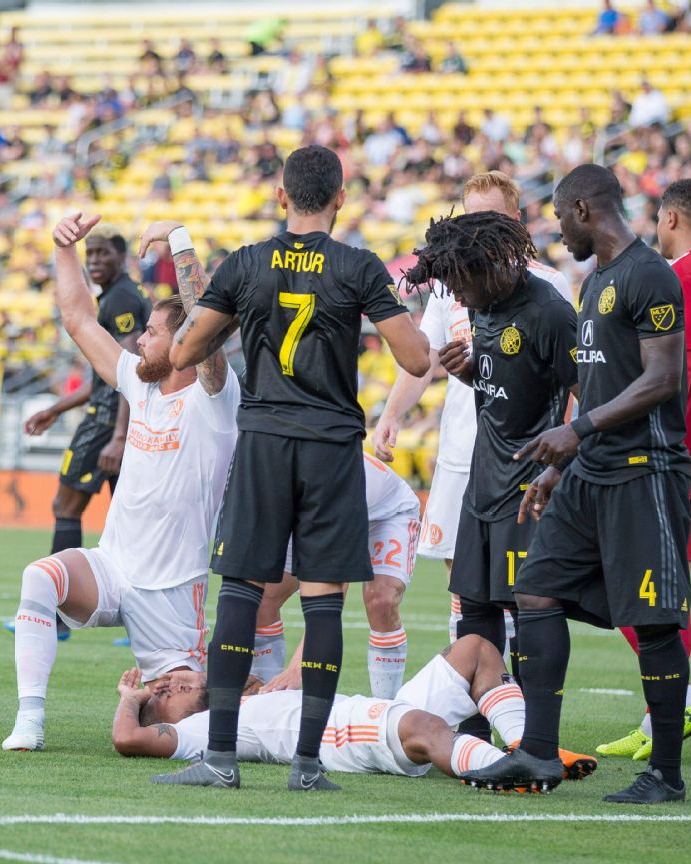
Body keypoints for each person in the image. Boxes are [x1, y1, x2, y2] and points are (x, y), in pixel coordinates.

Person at [154, 144, 431, 791]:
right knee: (324, 603)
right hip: (332, 447)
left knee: (242, 592)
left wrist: (235, 310)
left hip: (264, 441)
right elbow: (416, 359)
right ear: (340, 199)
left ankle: (219, 758)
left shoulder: (247, 263)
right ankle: (307, 765)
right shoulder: (358, 266)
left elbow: (185, 347)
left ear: (280, 198)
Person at [461, 164, 691, 804]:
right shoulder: (595, 286)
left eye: (561, 219)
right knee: (534, 591)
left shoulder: (652, 275)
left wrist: (577, 431)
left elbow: (662, 379)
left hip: (644, 472)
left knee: (653, 624)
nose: (558, 233)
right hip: (587, 473)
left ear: (585, 209)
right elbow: (595, 383)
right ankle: (537, 751)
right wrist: (560, 466)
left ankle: (666, 774)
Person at [2, 214, 239, 752]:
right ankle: (30, 721)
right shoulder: (142, 384)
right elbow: (80, 320)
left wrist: (180, 239)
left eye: (151, 332)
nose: (137, 339)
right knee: (39, 578)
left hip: (173, 593)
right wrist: (64, 250)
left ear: (185, 342)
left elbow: (209, 322)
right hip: (114, 567)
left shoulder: (214, 399)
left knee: (179, 718)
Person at [373, 171, 572, 656]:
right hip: (462, 452)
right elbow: (427, 359)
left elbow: (569, 374)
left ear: (517, 221)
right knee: (462, 586)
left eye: (492, 218)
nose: (480, 230)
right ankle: (478, 699)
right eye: (472, 218)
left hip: (524, 454)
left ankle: (519, 706)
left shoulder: (550, 285)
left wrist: (562, 450)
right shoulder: (449, 285)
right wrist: (392, 414)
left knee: (522, 588)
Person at [596, 179, 691, 759]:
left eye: (658, 217)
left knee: (642, 587)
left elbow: (672, 373)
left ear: (673, 217)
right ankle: (663, 710)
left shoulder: (679, 277)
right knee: (662, 583)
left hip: (671, 451)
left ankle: (677, 703)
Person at [408, 212, 578, 708]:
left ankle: (535, 731)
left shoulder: (550, 311)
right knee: (474, 610)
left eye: (461, 284)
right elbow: (503, 387)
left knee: (530, 608)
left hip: (528, 487)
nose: (457, 299)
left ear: (488, 267)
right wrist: (467, 374)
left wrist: (556, 470)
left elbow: (586, 401)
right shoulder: (483, 307)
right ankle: (484, 720)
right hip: (481, 483)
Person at [112, 636, 597, 785]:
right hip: (337, 736)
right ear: (168, 720)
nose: (171, 683)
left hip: (365, 710)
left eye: (171, 679)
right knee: (423, 728)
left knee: (475, 650)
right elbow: (128, 740)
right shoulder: (200, 730)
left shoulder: (242, 692)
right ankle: (503, 771)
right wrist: (131, 700)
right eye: (163, 694)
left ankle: (526, 748)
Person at [22, 223, 150, 578]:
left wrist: (120, 435)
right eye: (89, 253)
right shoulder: (116, 295)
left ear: (121, 257)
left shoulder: (121, 299)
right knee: (128, 520)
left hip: (108, 422)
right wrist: (55, 409)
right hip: (117, 419)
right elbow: (107, 374)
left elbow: (132, 370)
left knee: (66, 505)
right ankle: (140, 617)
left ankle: (59, 610)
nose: (93, 260)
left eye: (102, 252)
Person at [251, 453, 420, 700]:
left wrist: (298, 667)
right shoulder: (267, 460)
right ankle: (266, 700)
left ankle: (385, 708)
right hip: (322, 507)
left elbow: (333, 587)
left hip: (387, 512)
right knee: (264, 598)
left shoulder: (331, 477)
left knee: (380, 601)